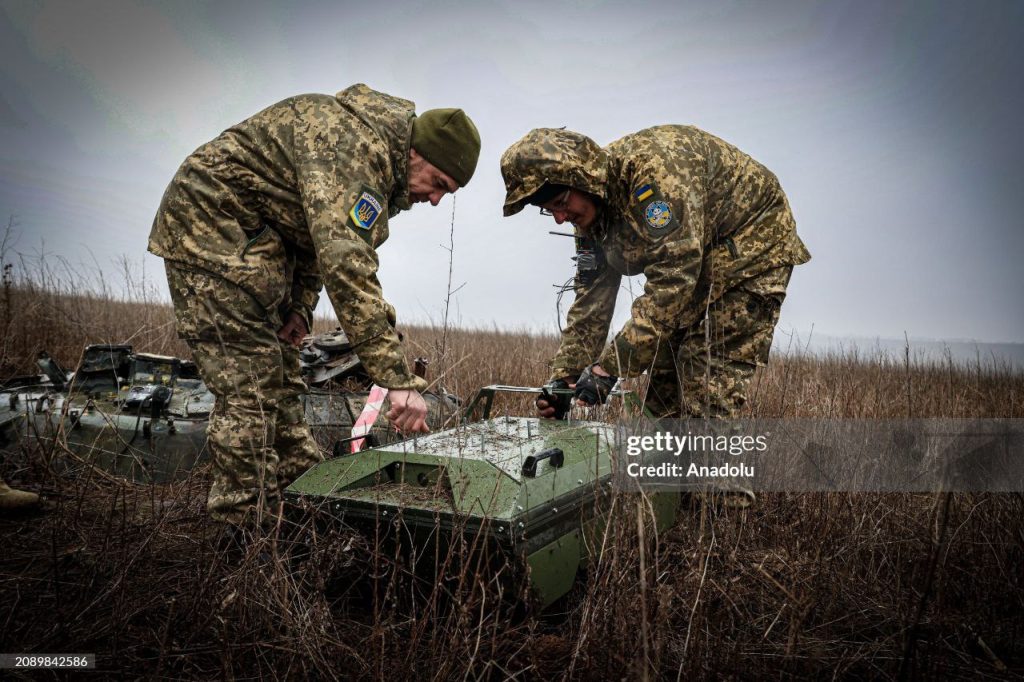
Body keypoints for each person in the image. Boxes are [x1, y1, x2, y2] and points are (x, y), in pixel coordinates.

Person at [148, 84, 480, 528]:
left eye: (447, 193)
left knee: (282, 386)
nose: (435, 199)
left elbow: (310, 239)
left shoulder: (380, 161)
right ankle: (244, 538)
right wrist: (397, 381)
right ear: (416, 152)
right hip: (211, 232)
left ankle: (305, 503)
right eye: (438, 183)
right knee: (250, 395)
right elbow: (347, 268)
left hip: (256, 248)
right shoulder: (354, 150)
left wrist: (300, 308)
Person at [500, 126, 810, 420]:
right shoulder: (586, 219)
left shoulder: (656, 178)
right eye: (548, 211)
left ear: (582, 179)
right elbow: (591, 301)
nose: (560, 218)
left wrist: (610, 367)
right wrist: (565, 378)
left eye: (561, 203)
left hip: (752, 249)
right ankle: (664, 474)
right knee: (664, 389)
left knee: (705, 386)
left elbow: (674, 281)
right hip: (695, 262)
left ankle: (713, 474)